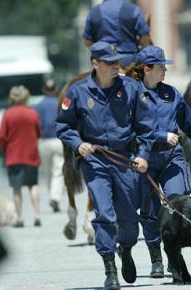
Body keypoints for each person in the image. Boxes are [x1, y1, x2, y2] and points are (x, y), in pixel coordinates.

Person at [56, 41, 156, 289]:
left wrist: (143, 154)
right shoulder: (78, 93)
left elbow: (146, 127)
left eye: (117, 62)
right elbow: (63, 126)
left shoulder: (132, 88)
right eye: (110, 63)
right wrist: (78, 144)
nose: (116, 66)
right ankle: (110, 270)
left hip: (125, 161)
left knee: (130, 221)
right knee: (104, 215)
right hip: (95, 162)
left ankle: (127, 249)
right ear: (95, 64)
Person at [129, 45, 191, 278]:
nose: (165, 70)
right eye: (160, 67)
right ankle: (156, 258)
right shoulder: (131, 94)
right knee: (148, 212)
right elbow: (127, 130)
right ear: (146, 68)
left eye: (165, 66)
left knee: (176, 206)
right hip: (143, 158)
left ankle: (173, 258)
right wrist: (159, 136)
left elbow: (189, 122)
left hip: (172, 158)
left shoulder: (171, 93)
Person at [83, 0, 152, 68]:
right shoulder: (134, 10)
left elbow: (87, 42)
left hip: (102, 62)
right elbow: (145, 38)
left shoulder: (93, 13)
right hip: (128, 62)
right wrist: (140, 45)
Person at [0, 85, 41, 227]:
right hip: (31, 155)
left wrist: (6, 151)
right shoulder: (32, 113)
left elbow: (1, 136)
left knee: (16, 188)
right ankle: (37, 215)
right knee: (33, 185)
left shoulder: (8, 114)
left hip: (13, 156)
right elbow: (38, 133)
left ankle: (20, 217)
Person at [34, 79, 65, 213]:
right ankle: (55, 197)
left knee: (47, 172)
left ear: (43, 89)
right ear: (56, 89)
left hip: (43, 141)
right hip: (58, 140)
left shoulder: (37, 106)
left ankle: (53, 197)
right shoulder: (61, 103)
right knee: (58, 170)